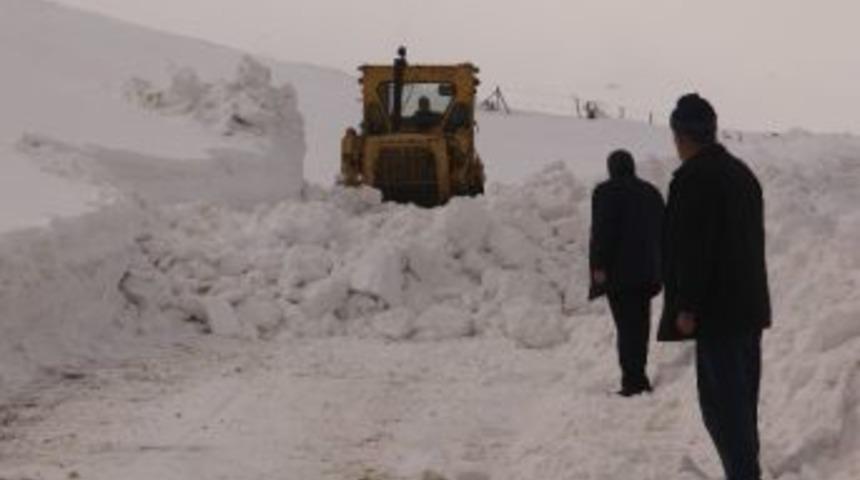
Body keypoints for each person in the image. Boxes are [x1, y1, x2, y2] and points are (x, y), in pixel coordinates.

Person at [659, 93, 771, 480]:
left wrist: (686, 306)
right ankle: (746, 471)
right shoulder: (742, 174)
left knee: (723, 411)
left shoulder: (693, 179)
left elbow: (692, 248)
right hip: (749, 308)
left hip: (716, 313)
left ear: (682, 135)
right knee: (742, 404)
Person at [589, 149, 665, 397]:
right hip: (647, 272)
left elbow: (602, 232)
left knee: (626, 327)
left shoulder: (605, 192)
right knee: (640, 326)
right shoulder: (651, 192)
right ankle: (639, 376)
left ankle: (632, 381)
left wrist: (598, 266)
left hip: (618, 274)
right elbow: (663, 230)